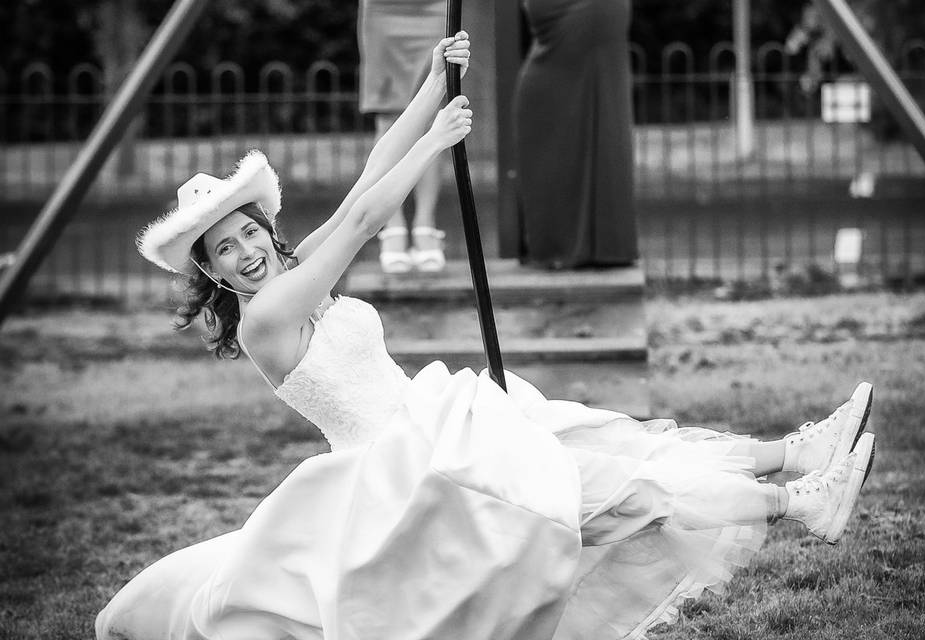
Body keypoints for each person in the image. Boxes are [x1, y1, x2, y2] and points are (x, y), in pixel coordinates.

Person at [97, 33, 877, 640]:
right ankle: (798, 501)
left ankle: (796, 459)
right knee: (612, 493)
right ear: (215, 277)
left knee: (616, 450)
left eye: (246, 232)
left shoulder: (294, 273)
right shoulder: (267, 315)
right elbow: (370, 219)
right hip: (411, 478)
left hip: (444, 431)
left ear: (265, 227)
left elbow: (370, 178)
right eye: (223, 251)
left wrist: (434, 83)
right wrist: (440, 142)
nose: (245, 251)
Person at [514, 0, 638, 268]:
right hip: (557, 21)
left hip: (594, 13)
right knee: (545, 120)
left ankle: (598, 245)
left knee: (604, 111)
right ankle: (561, 243)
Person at [359, 0, 448, 274]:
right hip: (383, 9)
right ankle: (392, 225)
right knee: (388, 116)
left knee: (433, 108)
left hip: (435, 7)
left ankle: (424, 224)